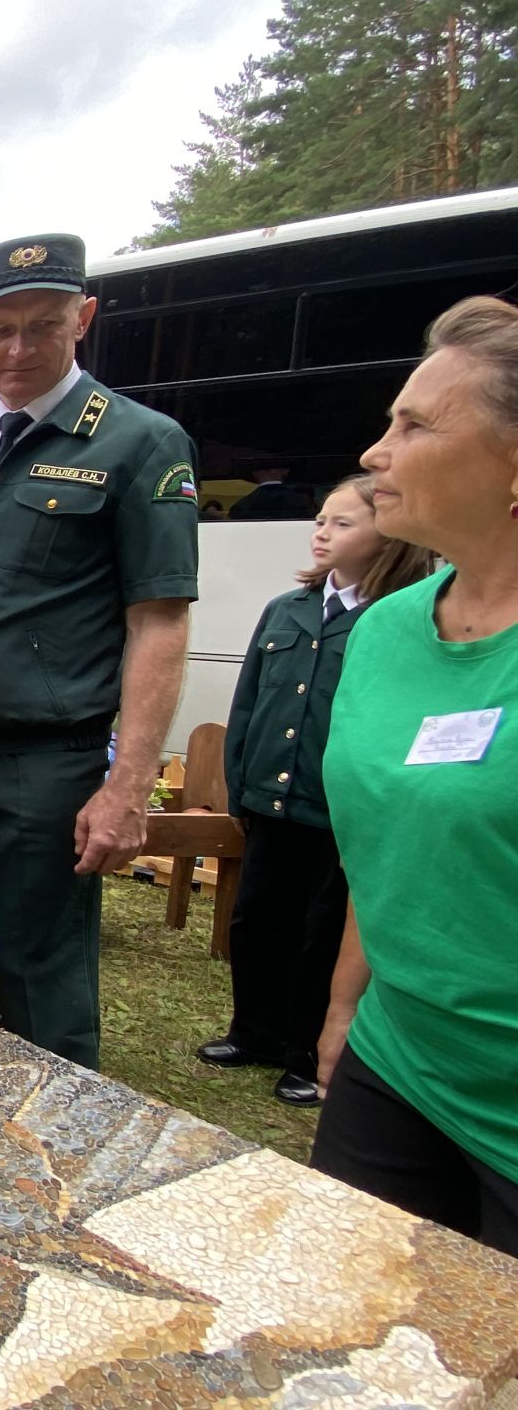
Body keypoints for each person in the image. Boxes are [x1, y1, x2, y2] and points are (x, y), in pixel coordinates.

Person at [0, 235, 199, 1070]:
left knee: (39, 985)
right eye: (1, 329)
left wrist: (129, 783)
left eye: (44, 326)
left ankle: (53, 1157)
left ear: (82, 319)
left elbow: (158, 623)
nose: (19, 349)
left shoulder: (138, 442)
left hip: (43, 768)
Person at [310, 295, 518, 1255]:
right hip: (398, 1063)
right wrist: (349, 1002)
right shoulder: (389, 628)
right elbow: (387, 837)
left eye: (415, 425)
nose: (376, 452)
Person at [200, 474, 433, 1105]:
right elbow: (248, 701)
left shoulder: (396, 615)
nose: (323, 533)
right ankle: (254, 1033)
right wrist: (239, 784)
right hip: (271, 800)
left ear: (387, 533)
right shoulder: (288, 610)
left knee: (321, 932)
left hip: (338, 811)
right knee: (258, 919)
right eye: (321, 520)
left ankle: (305, 1053)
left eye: (343, 523)